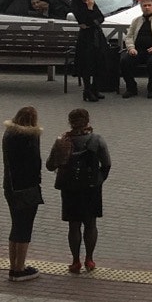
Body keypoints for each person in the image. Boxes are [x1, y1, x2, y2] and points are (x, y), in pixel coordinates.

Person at [47, 104, 111, 273]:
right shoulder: (97, 140)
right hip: (91, 187)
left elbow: (50, 165)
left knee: (73, 225)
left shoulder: (62, 141)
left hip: (69, 187)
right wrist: (99, 179)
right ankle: (89, 259)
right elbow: (106, 164)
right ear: (87, 121)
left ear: (70, 122)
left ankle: (75, 261)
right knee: (91, 224)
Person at [2, 106, 44, 281]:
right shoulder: (30, 137)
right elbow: (36, 163)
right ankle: (20, 269)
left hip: (10, 186)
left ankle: (13, 266)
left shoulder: (8, 134)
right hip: (27, 188)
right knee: (25, 228)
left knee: (16, 226)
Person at [120, 0, 152, 97]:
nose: (147, 7)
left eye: (149, 5)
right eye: (144, 5)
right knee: (124, 61)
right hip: (137, 50)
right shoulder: (136, 20)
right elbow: (129, 36)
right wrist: (131, 48)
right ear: (141, 7)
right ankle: (131, 88)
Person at [70, 0, 109, 105]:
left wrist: (93, 20)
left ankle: (95, 88)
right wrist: (90, 10)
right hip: (86, 38)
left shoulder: (92, 3)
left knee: (99, 61)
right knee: (87, 63)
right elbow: (84, 20)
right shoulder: (78, 6)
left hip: (96, 36)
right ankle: (87, 90)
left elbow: (100, 18)